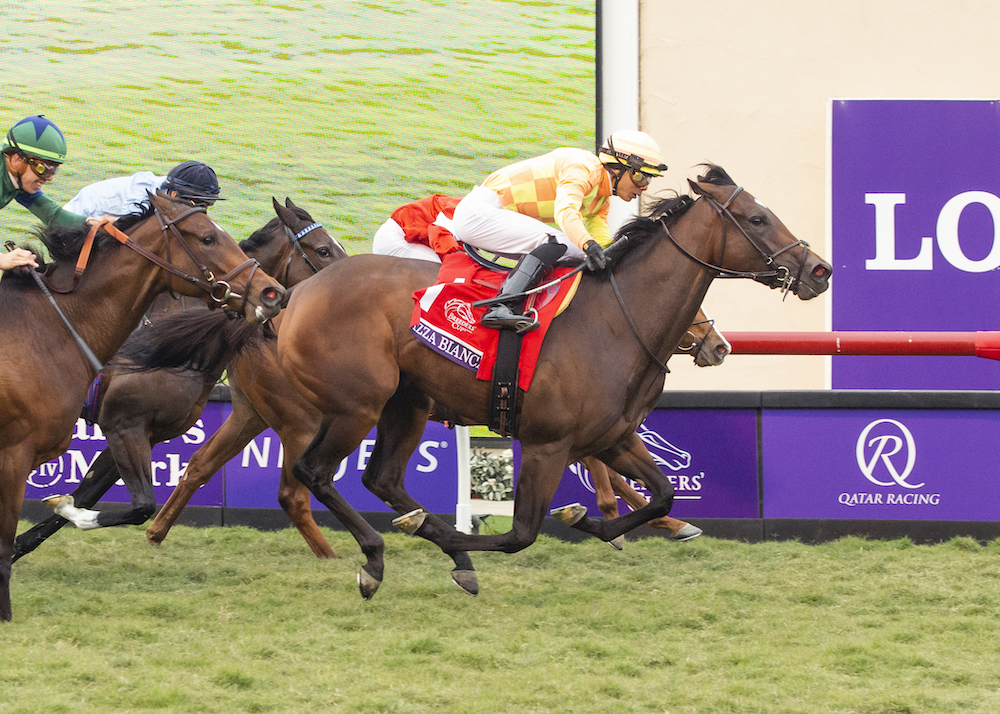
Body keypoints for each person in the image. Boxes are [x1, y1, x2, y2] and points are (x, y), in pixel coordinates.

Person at [450, 130, 668, 332]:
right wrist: (588, 245)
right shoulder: (583, 166)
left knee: (577, 251)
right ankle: (500, 307)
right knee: (559, 244)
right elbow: (565, 211)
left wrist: (615, 261)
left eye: (649, 179)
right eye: (641, 176)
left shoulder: (601, 200)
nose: (644, 186)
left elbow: (602, 243)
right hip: (478, 213)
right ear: (618, 167)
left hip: (491, 217)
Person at [1, 115, 99, 271]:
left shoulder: (17, 179)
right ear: (17, 161)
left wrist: (93, 224)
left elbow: (53, 214)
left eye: (54, 170)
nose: (49, 178)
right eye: (43, 168)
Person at [63, 160, 225, 218]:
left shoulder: (168, 193)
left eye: (207, 206)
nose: (202, 212)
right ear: (175, 195)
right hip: (74, 222)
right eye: (198, 205)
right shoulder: (141, 196)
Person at [371, 194, 462, 263]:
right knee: (448, 269)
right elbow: (437, 231)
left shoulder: (464, 206)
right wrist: (457, 257)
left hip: (405, 236)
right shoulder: (461, 210)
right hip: (396, 239)